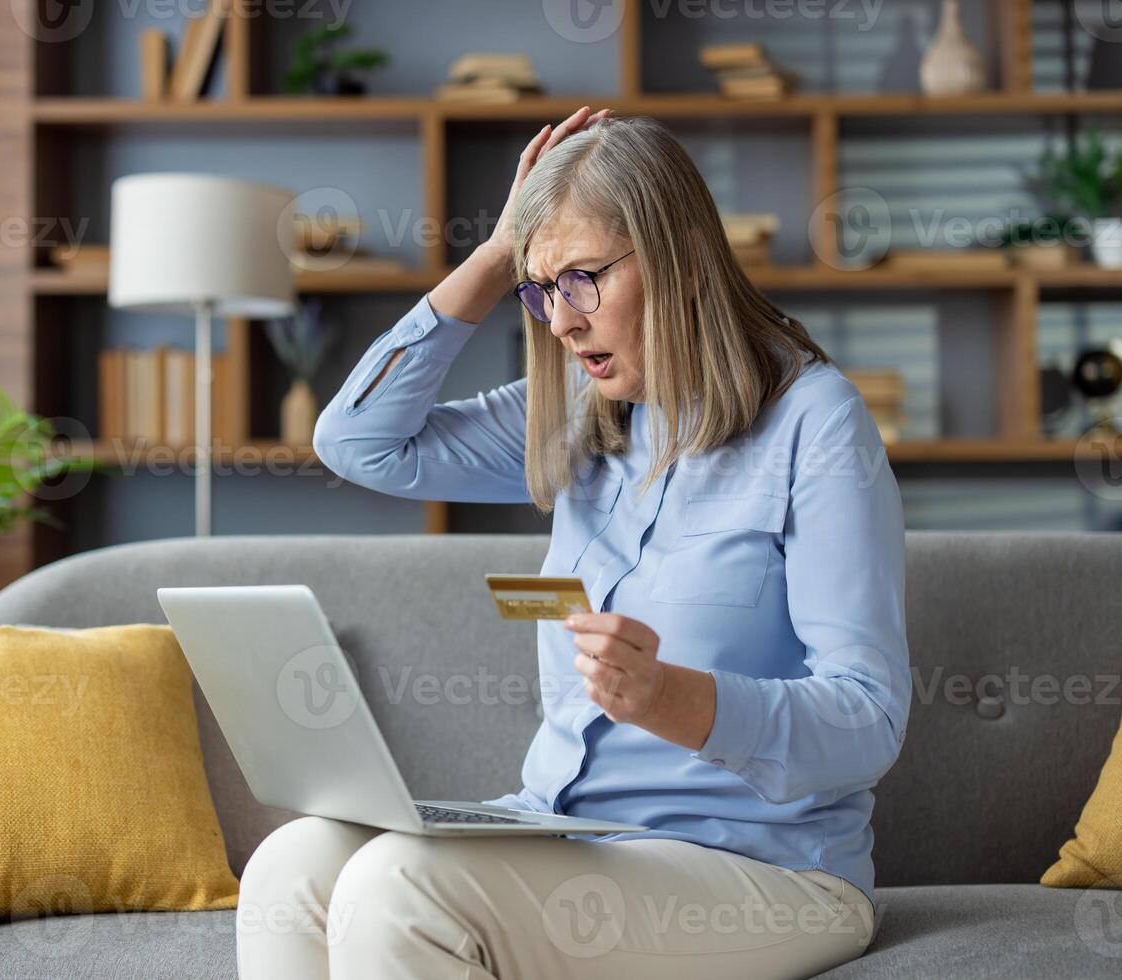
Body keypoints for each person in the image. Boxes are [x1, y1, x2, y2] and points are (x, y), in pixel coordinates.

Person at [238, 107, 910, 980]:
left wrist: (675, 699)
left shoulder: (815, 425)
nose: (559, 320)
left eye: (583, 279)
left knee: (401, 886)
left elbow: (870, 717)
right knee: (292, 864)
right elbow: (359, 442)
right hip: (567, 829)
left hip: (763, 869)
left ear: (677, 259)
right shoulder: (578, 410)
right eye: (541, 288)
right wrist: (493, 256)